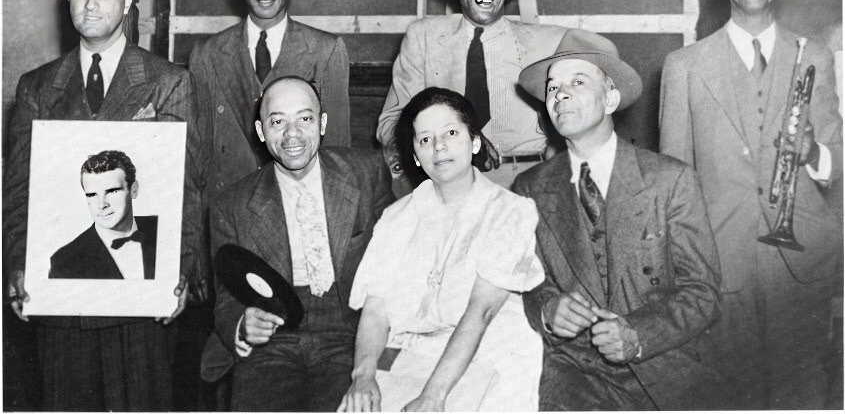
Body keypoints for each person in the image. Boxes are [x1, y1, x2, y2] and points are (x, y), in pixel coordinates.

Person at [3, 0, 198, 411]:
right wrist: (17, 265)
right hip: (62, 294)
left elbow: (186, 188)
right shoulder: (36, 86)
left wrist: (180, 272)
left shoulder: (168, 80)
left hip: (140, 295)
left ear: (128, 1)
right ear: (67, 2)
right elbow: (17, 192)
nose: (90, 4)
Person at [659, 0, 843, 409]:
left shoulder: (815, 56)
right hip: (721, 258)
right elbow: (674, 179)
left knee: (803, 394)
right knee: (728, 394)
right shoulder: (683, 65)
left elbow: (837, 158)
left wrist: (813, 151)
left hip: (801, 262)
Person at [513, 29, 724, 410]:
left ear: (610, 98)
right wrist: (547, 311)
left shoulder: (670, 180)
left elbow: (702, 293)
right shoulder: (529, 188)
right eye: (552, 87)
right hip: (574, 375)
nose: (559, 95)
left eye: (577, 82)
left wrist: (639, 334)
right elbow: (525, 284)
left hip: (664, 366)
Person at [339, 87, 545, 412]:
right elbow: (376, 310)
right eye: (425, 139)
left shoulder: (510, 212)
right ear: (416, 156)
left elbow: (481, 312)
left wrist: (433, 396)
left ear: (475, 142)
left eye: (451, 132)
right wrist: (362, 376)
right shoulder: (396, 218)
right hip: (413, 352)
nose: (439, 146)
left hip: (489, 354)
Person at [204, 76, 393, 411]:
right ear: (262, 133)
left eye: (305, 119)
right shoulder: (230, 205)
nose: (292, 135)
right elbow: (226, 295)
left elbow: (393, 266)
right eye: (278, 122)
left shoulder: (366, 174)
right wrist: (242, 323)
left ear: (321, 124)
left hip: (351, 332)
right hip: (274, 339)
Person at [191, 0, 350, 277]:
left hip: (298, 211)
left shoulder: (325, 49)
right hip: (229, 215)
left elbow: (337, 149)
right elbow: (198, 153)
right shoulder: (207, 53)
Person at [377, 0, 566, 191]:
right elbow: (390, 124)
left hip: (526, 180)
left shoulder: (546, 42)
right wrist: (453, 141)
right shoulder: (424, 37)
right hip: (448, 183)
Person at [49, 151, 157, 280]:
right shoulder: (63, 263)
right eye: (92, 195)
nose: (101, 205)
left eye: (112, 191)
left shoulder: (164, 228)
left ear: (134, 190)